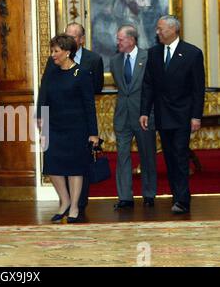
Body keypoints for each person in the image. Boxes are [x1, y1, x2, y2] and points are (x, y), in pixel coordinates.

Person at [140, 15, 205, 214]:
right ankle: (179, 196)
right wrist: (144, 112)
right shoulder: (154, 53)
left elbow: (197, 88)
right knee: (169, 157)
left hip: (183, 116)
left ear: (173, 29)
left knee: (180, 155)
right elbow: (148, 85)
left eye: (160, 28)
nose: (157, 32)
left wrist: (196, 116)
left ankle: (182, 200)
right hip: (162, 115)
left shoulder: (192, 53)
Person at [41, 22, 104, 215]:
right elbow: (44, 94)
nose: (52, 55)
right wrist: (40, 119)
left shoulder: (82, 74)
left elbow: (89, 105)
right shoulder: (52, 72)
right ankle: (65, 201)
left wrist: (93, 133)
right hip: (54, 126)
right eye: (52, 51)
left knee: (76, 167)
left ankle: (75, 206)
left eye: (56, 51)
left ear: (67, 52)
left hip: (77, 127)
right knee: (52, 165)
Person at [110, 25, 157, 209]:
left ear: (131, 40)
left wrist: (148, 112)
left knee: (147, 155)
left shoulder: (147, 58)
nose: (118, 42)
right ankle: (125, 197)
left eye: (120, 39)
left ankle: (149, 194)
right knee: (122, 156)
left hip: (143, 115)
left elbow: (152, 87)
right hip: (122, 116)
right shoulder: (114, 61)